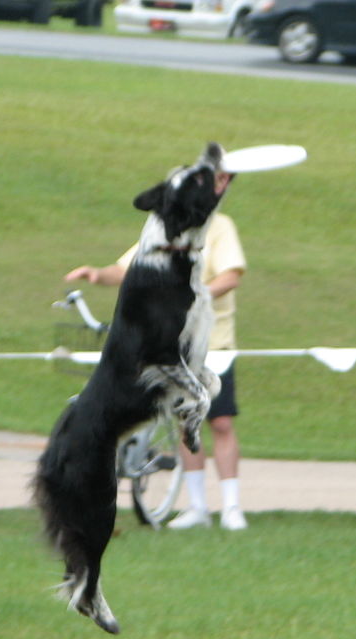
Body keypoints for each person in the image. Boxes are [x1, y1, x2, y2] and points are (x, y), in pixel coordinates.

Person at [66, 172, 248, 530]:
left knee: (221, 422)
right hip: (172, 343)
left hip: (213, 341)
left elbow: (231, 275)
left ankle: (231, 506)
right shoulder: (168, 227)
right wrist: (96, 275)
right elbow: (128, 266)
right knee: (184, 420)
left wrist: (192, 301)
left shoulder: (221, 227)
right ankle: (196, 506)